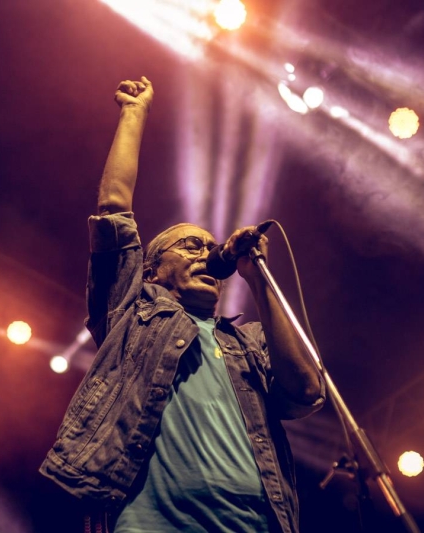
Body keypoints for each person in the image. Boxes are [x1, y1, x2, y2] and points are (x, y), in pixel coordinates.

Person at [40, 76, 325, 533]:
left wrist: (258, 280)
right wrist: (134, 113)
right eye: (191, 245)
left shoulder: (247, 341)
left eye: (211, 248)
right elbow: (114, 209)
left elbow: (305, 393)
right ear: (151, 272)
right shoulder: (133, 313)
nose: (207, 254)